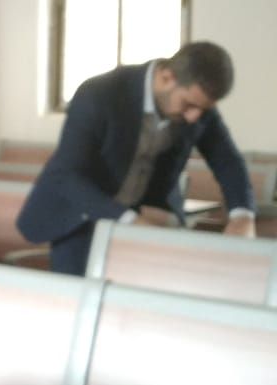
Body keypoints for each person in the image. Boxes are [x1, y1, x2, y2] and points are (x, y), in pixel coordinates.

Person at [17, 40, 256, 275]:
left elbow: (228, 161)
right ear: (166, 78)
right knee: (76, 290)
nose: (194, 117)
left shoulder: (197, 106)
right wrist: (129, 220)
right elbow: (66, 175)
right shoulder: (100, 93)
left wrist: (243, 216)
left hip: (147, 215)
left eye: (203, 109)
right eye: (188, 104)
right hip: (82, 213)